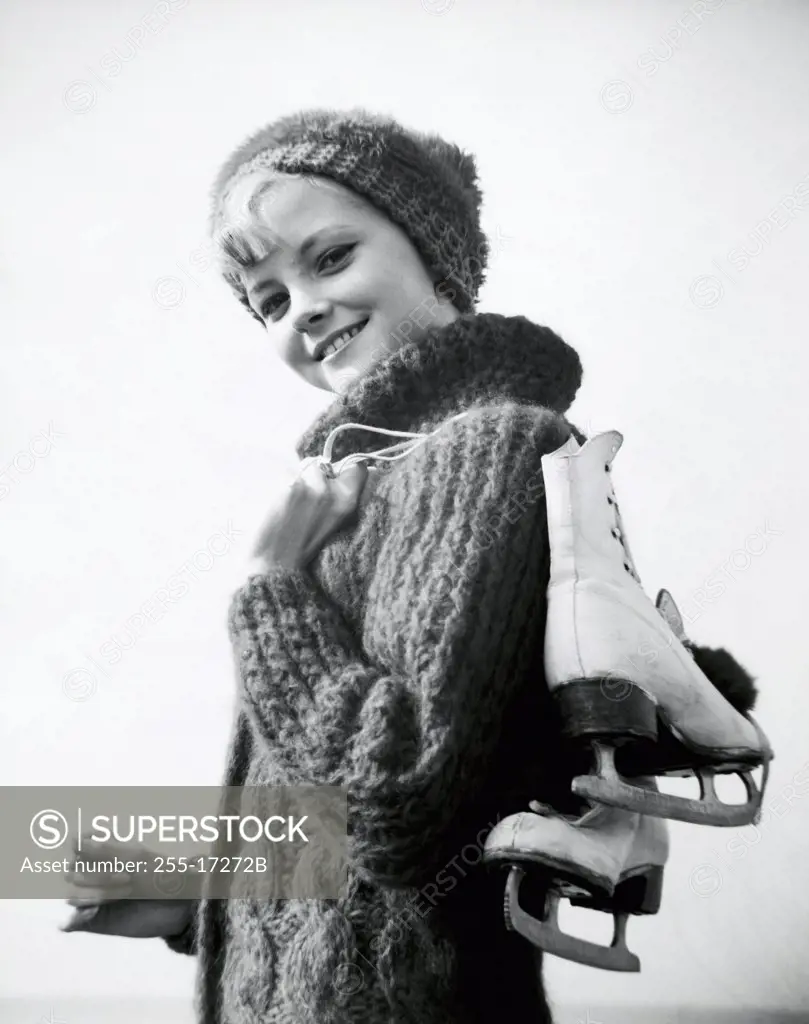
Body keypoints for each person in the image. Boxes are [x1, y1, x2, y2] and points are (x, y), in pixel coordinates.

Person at [61, 108, 763, 1021]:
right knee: (34, 838)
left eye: (329, 257)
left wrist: (267, 585)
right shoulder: (365, 482)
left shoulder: (488, 450)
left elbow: (394, 803)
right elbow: (393, 842)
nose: (301, 308)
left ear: (431, 249)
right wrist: (200, 898)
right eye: (268, 300)